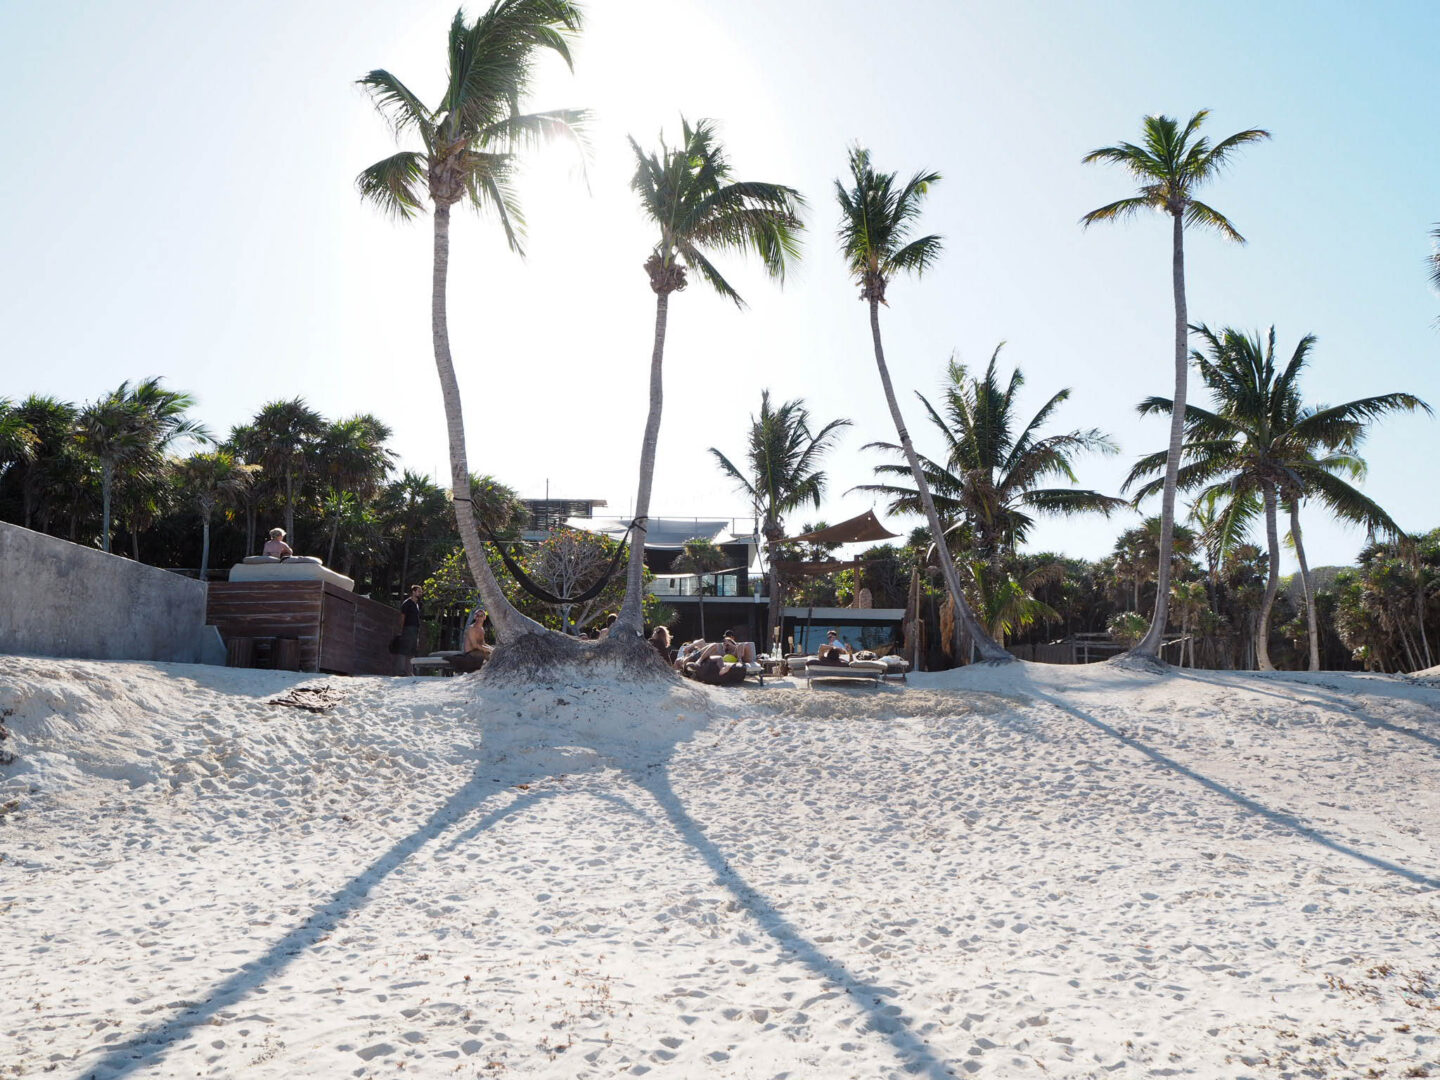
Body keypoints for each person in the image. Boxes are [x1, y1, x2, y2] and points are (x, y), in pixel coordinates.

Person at [397, 585, 422, 675]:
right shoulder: (407, 603)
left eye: (420, 591)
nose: (420, 593)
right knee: (404, 649)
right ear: (413, 592)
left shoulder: (417, 604)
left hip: (415, 630)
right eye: (419, 591)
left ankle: (409, 671)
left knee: (412, 650)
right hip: (407, 628)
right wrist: (401, 629)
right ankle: (401, 671)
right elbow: (402, 616)